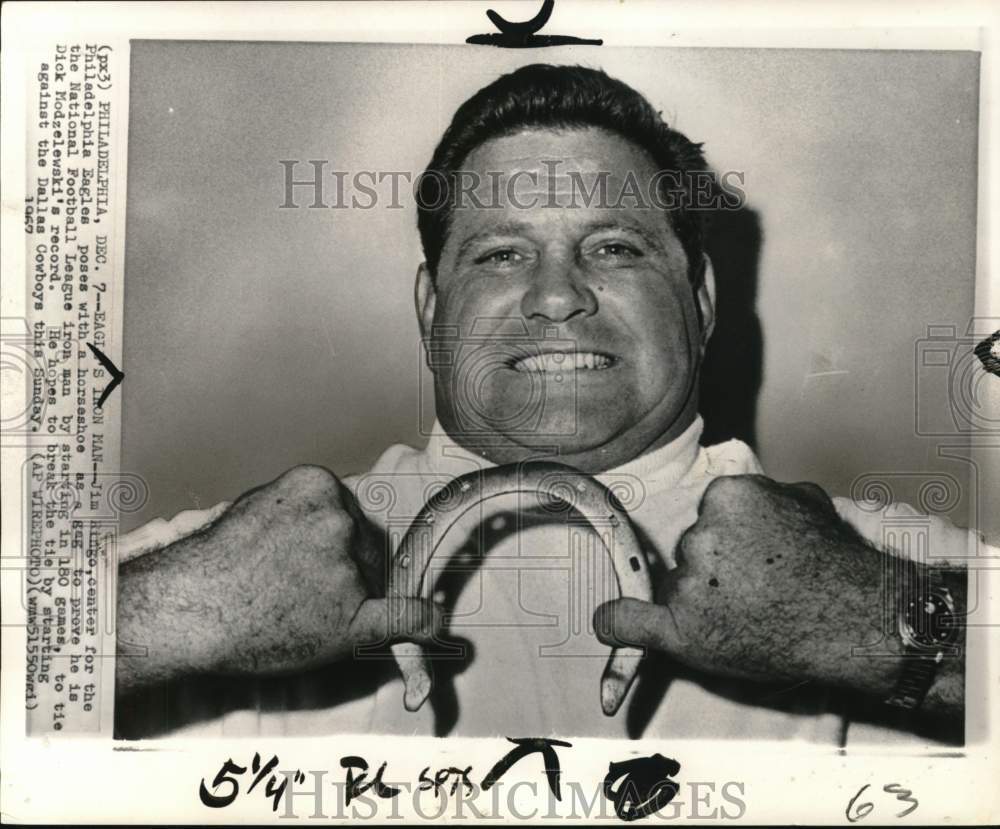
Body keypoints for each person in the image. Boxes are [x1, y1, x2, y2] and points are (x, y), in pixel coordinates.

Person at [115, 64, 974, 743]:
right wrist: (183, 613)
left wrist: (859, 617)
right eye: (500, 255)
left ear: (702, 300)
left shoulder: (893, 564)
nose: (557, 296)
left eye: (615, 247)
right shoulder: (210, 566)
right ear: (430, 308)